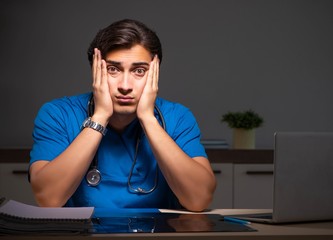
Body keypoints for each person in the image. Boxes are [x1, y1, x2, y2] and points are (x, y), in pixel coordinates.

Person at [29, 19, 216, 212]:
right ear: (95, 70)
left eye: (139, 71)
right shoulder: (58, 114)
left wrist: (148, 119)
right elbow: (48, 199)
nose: (125, 86)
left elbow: (199, 199)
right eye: (113, 69)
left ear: (155, 73)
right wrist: (100, 116)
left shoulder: (178, 117)